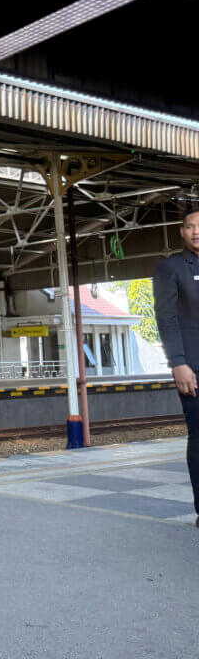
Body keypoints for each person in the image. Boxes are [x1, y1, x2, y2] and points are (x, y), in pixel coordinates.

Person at [153, 204, 199, 528]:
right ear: (181, 232)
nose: (196, 231)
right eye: (189, 226)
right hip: (193, 366)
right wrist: (178, 363)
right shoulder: (171, 268)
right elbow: (166, 318)